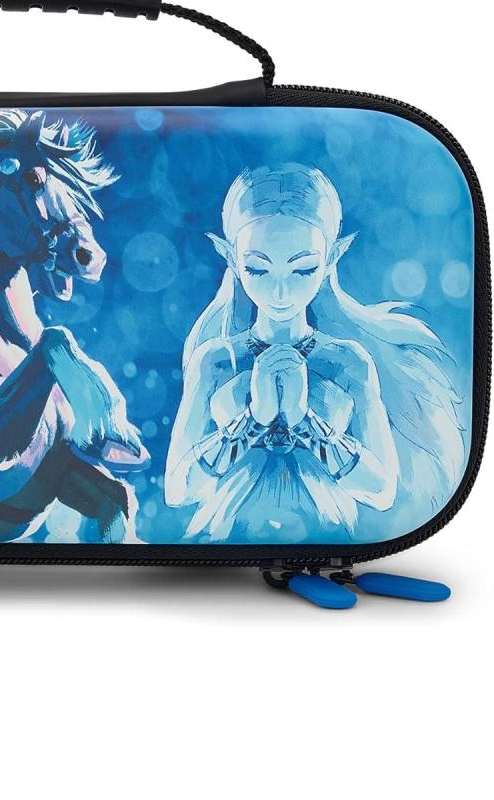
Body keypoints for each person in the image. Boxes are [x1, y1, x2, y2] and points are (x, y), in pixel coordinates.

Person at [165, 163, 464, 542]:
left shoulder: (348, 362)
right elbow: (178, 490)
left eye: (303, 269)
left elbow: (381, 491)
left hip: (327, 542)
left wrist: (305, 421)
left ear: (332, 258)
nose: (280, 292)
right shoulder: (215, 361)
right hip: (225, 544)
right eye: (257, 269)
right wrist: (253, 420)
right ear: (230, 258)